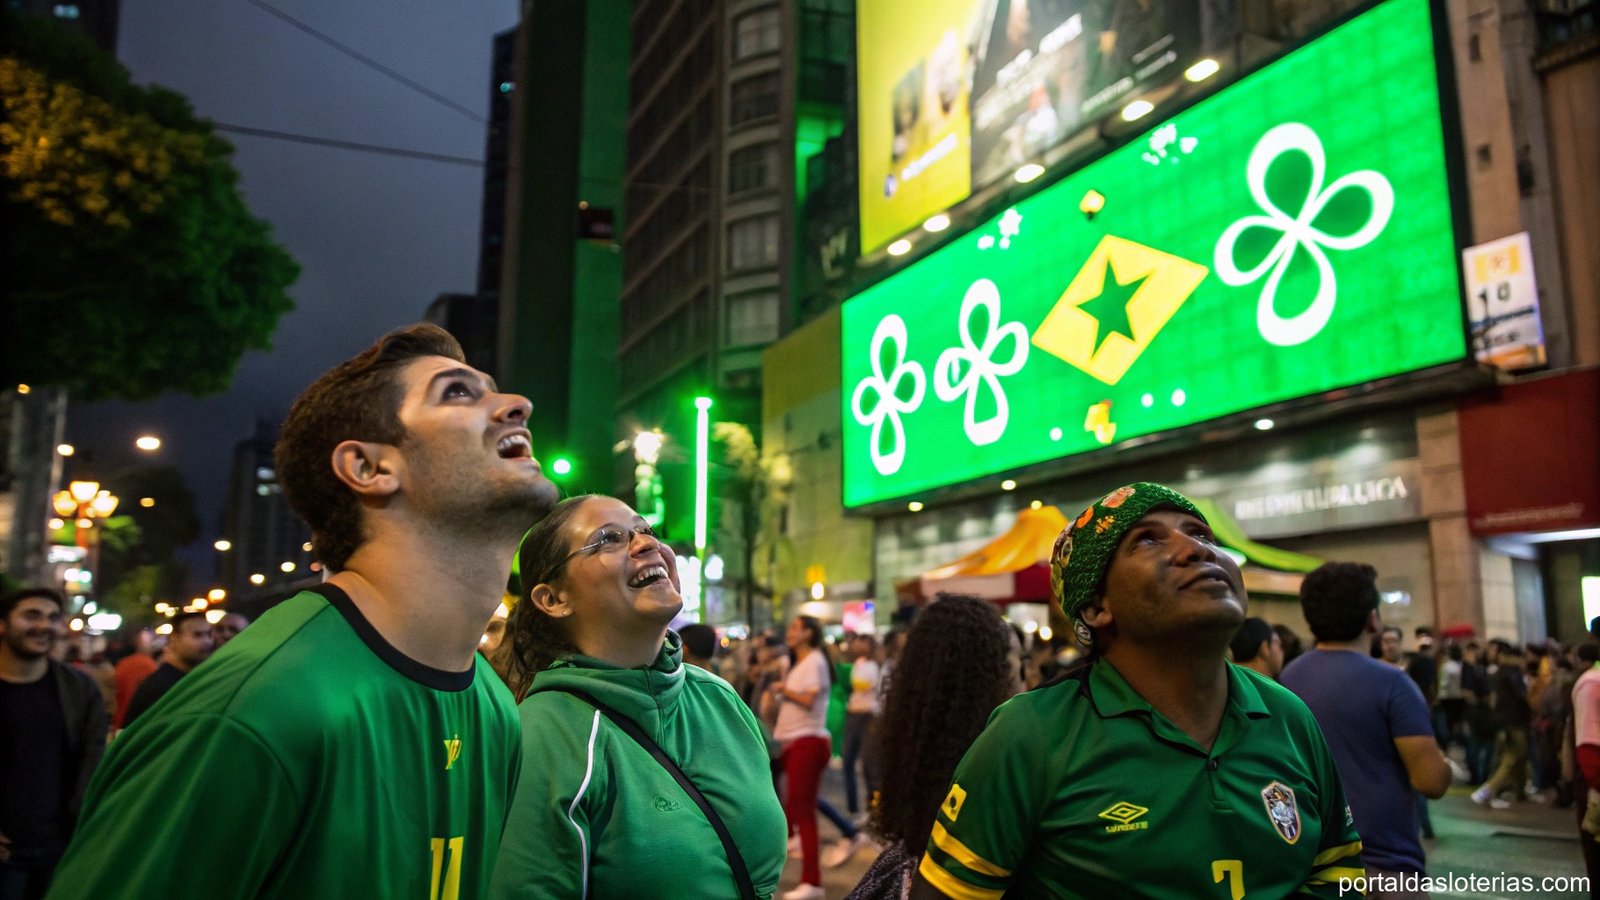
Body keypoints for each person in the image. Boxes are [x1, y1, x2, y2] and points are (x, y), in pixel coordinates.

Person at [50, 324, 554, 899]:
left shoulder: (491, 705)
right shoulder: (250, 714)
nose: (518, 404)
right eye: (458, 393)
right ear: (368, 468)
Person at [911, 483, 1363, 899]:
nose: (1195, 549)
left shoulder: (1289, 715)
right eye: (1147, 539)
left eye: (1203, 535)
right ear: (1095, 606)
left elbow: (1338, 867)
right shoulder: (1030, 734)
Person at [490, 496, 785, 899]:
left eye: (646, 530)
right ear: (554, 599)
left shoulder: (719, 698)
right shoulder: (545, 733)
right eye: (609, 539)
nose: (648, 544)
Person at [1281, 562, 1450, 896]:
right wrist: (1444, 763)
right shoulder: (1393, 683)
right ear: (1373, 618)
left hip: (1311, 863)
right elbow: (1430, 782)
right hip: (1385, 866)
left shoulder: (1286, 679)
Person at [845, 595, 1022, 900]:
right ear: (996, 678)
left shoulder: (902, 742)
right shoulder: (1007, 765)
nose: (1027, 682)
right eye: (1020, 666)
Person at [0, 588, 106, 899]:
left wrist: (83, 825)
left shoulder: (79, 688)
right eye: (31, 615)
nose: (44, 626)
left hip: (59, 849)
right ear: (3, 624)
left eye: (53, 618)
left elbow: (94, 754)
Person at [767, 615, 834, 899]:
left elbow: (808, 700)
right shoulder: (798, 664)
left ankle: (812, 883)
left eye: (795, 627)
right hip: (795, 741)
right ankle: (801, 857)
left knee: (804, 813)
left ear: (808, 633)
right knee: (796, 806)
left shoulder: (815, 661)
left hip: (808, 740)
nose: (790, 633)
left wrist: (784, 690)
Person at [118, 611, 214, 729]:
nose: (207, 641)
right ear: (174, 639)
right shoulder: (160, 686)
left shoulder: (193, 679)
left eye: (209, 634)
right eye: (197, 635)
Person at [1473, 640, 1531, 809]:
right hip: (1514, 721)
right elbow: (1522, 697)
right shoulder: (1511, 674)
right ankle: (1487, 791)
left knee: (1518, 757)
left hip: (1504, 721)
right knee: (1511, 757)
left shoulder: (1498, 674)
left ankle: (1520, 792)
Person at [842, 633, 881, 821]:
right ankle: (853, 808)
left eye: (863, 642)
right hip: (854, 712)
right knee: (848, 761)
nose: (858, 645)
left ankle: (873, 809)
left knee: (869, 765)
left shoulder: (873, 665)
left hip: (868, 715)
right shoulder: (857, 664)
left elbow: (865, 685)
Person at [109, 628, 158, 729]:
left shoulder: (122, 664)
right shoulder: (148, 665)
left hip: (119, 720)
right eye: (150, 641)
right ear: (140, 643)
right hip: (139, 723)